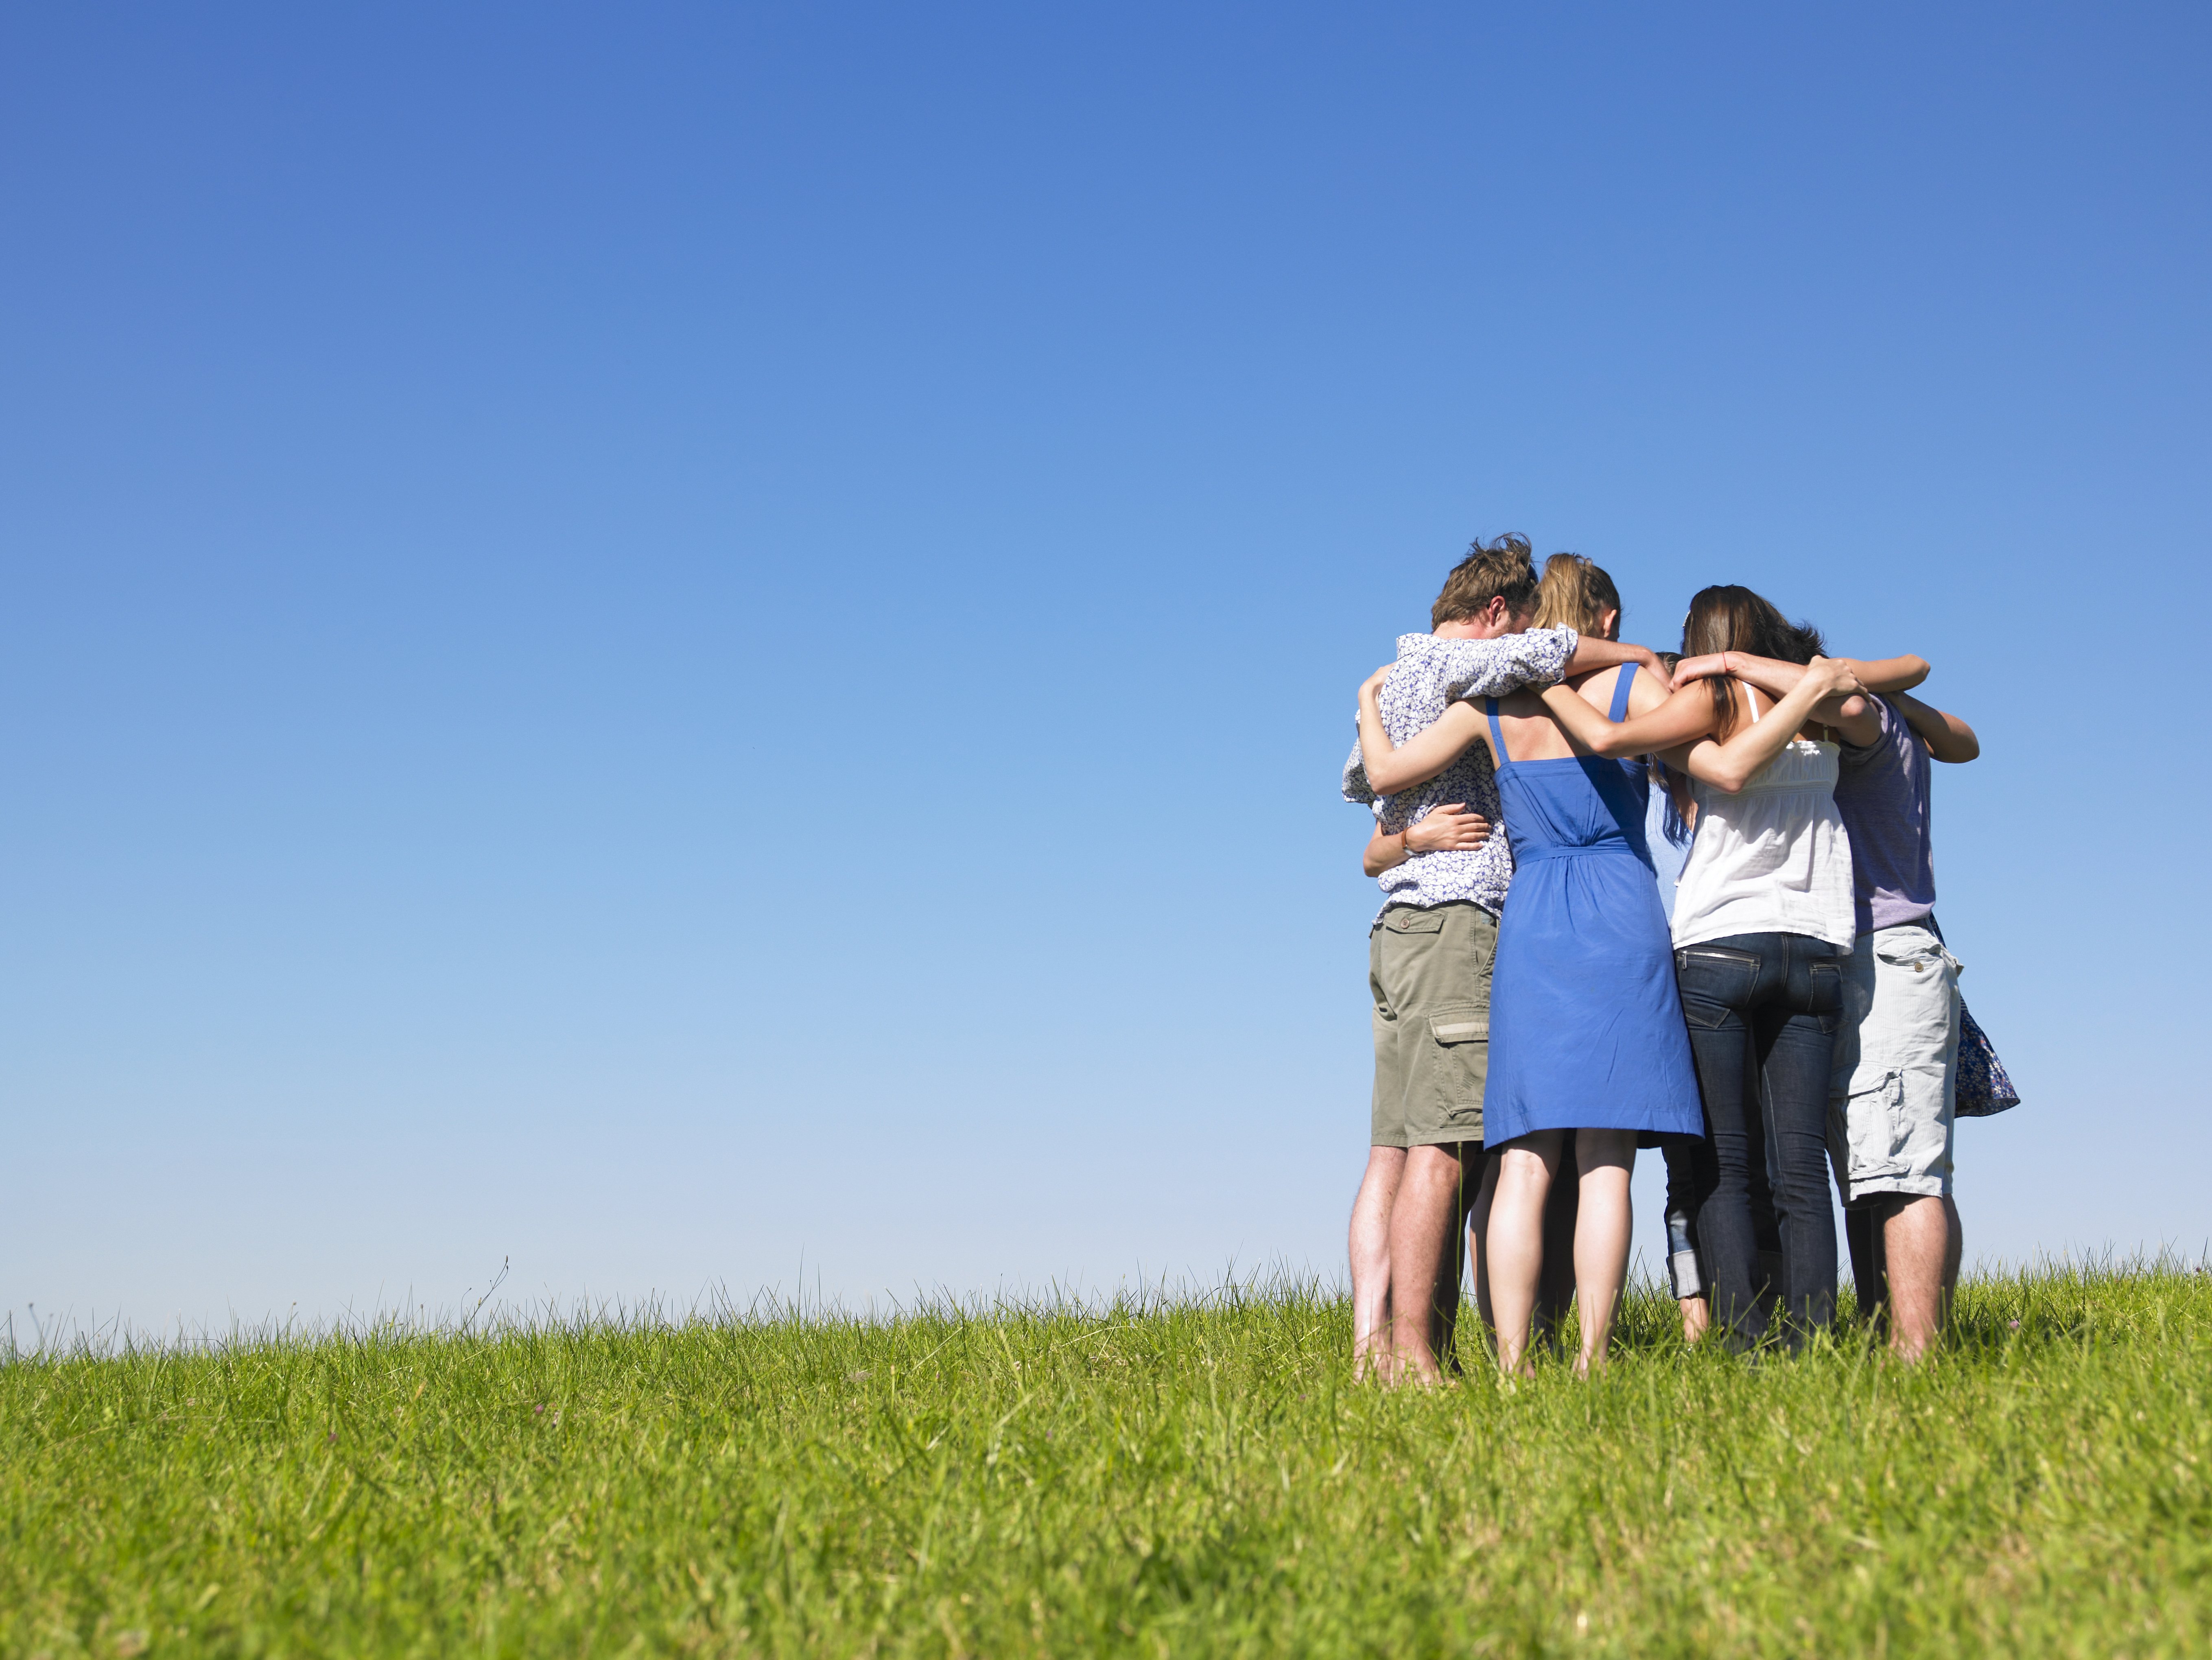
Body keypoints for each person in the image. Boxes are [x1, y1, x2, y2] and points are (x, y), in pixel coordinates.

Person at [1536, 588, 1926, 1350]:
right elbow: (1912, 668)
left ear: (1699, 643)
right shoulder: (1820, 705)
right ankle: (1812, 1340)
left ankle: (1744, 1339)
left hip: (1718, 945)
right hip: (1816, 945)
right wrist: (1778, 668)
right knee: (1802, 1165)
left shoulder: (1707, 700)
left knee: (1724, 1161)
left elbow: (1613, 739)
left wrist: (1544, 680)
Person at [1342, 535, 1659, 1382]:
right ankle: (1418, 1354)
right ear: (1495, 616)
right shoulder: (1480, 673)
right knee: (1448, 1149)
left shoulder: (1395, 677)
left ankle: (1372, 1346)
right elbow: (1558, 652)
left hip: (1396, 927)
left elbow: (1367, 791)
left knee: (1392, 1149)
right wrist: (1637, 651)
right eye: (1519, 622)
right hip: (1459, 921)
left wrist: (1401, 821)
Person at [1678, 649, 1979, 1359]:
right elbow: (1962, 738)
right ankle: (1892, 1338)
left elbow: (1878, 685)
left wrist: (1730, 661)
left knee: (1901, 1171)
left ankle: (1914, 1357)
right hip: (1884, 952)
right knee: (1880, 1166)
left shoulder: (1861, 713)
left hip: (1886, 952)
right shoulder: (1893, 718)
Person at [1533, 557, 1709, 1343]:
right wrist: (1642, 661)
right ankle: (1593, 1352)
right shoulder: (1631, 682)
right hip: (1618, 907)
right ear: (1604, 617)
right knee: (1607, 1153)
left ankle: (1518, 1346)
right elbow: (1698, 764)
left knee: (1527, 1151)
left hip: (1532, 917)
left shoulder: (1504, 696)